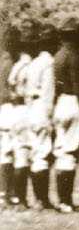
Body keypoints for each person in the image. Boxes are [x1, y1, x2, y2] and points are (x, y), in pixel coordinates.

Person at [50, 17, 79, 212]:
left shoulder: (58, 55)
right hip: (72, 101)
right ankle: (66, 200)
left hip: (61, 103)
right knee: (70, 152)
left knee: (62, 151)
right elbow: (76, 85)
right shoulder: (75, 56)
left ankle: (62, 199)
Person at [21, 22, 57, 209]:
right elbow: (49, 92)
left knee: (35, 153)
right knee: (42, 153)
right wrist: (49, 116)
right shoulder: (49, 63)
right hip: (42, 107)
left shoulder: (34, 63)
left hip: (31, 107)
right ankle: (43, 199)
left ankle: (38, 198)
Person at [0, 24, 21, 206]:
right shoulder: (9, 63)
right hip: (8, 107)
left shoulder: (3, 61)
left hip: (4, 108)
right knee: (8, 152)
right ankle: (6, 191)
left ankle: (6, 191)